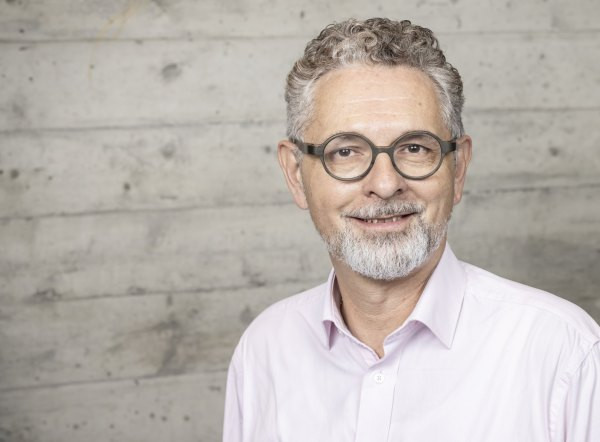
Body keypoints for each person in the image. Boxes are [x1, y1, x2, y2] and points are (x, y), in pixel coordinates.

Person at [223, 18, 600, 441]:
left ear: (458, 167)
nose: (385, 184)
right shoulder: (264, 351)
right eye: (345, 151)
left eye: (415, 148)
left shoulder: (565, 355)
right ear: (295, 174)